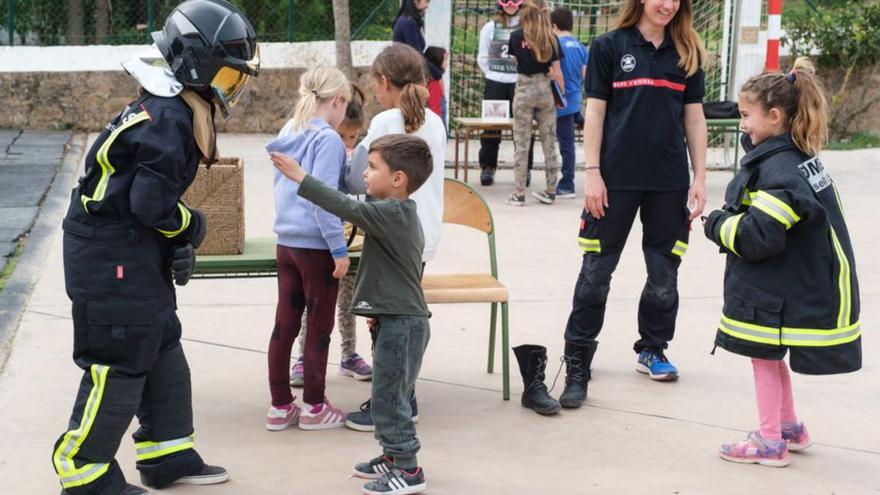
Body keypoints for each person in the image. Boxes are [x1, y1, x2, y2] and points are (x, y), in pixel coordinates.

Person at [52, 1, 259, 493]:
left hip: (125, 248)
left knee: (161, 342)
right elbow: (149, 203)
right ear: (198, 63)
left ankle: (167, 453)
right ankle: (83, 471)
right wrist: (190, 226)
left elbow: (139, 197)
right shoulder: (169, 114)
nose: (229, 89)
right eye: (227, 77)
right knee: (122, 355)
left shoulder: (171, 105)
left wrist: (168, 247)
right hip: (109, 255)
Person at [703, 58, 861, 467]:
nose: (740, 124)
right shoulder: (793, 157)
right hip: (793, 281)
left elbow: (759, 237)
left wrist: (716, 223)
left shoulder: (780, 173)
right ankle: (789, 426)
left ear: (774, 117)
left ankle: (770, 441)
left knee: (762, 356)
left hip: (776, 290)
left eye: (745, 116)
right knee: (770, 354)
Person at [557, 0, 708, 409]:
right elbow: (596, 112)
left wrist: (699, 177)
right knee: (596, 272)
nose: (668, 4)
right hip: (614, 181)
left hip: (668, 183)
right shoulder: (608, 46)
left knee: (664, 275)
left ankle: (653, 349)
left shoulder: (687, 51)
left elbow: (694, 118)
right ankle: (578, 356)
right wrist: (592, 172)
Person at [270, 134, 434, 495]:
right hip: (396, 319)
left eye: (373, 167)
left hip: (403, 324)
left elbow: (348, 207)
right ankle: (393, 456)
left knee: (390, 400)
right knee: (389, 394)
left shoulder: (390, 213)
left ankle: (407, 469)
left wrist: (302, 177)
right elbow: (393, 271)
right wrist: (379, 310)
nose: (364, 173)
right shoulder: (397, 213)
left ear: (398, 179)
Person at [339, 42, 446, 433]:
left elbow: (354, 178)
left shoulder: (385, 122)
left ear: (384, 82)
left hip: (389, 233)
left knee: (385, 321)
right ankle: (404, 394)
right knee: (401, 315)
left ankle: (394, 400)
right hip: (422, 234)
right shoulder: (434, 121)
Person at [263, 67, 353, 432]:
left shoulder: (290, 130)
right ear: (338, 101)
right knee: (318, 326)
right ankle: (315, 405)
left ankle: (280, 405)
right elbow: (324, 200)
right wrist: (339, 249)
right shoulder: (327, 139)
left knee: (284, 325)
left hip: (286, 242)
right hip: (316, 247)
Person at [289, 84, 372, 389]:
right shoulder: (321, 143)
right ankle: (302, 357)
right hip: (321, 239)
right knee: (313, 302)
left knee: (349, 299)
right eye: (343, 136)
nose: (349, 144)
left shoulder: (349, 153)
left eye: (354, 138)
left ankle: (349, 354)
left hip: (348, 236)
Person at [506, 0, 565, 206]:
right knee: (549, 140)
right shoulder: (551, 37)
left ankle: (519, 192)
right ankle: (550, 190)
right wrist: (562, 95)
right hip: (544, 89)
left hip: (524, 89)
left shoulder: (516, 36)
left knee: (521, 143)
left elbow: (516, 62)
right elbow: (557, 71)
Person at [477, 0, 534, 187]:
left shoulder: (528, 26)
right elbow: (482, 57)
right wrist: (494, 75)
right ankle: (488, 167)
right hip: (496, 82)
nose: (510, 4)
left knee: (524, 126)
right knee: (491, 127)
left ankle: (524, 169)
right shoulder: (490, 27)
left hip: (520, 82)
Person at [550, 7, 588, 199]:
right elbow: (585, 76)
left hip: (560, 103)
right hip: (575, 101)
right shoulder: (581, 46)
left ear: (554, 26)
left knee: (566, 144)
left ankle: (567, 184)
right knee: (569, 143)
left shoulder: (555, 45)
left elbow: (555, 73)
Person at [424, 46, 448, 125]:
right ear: (438, 60)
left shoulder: (435, 79)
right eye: (445, 60)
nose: (447, 63)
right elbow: (435, 109)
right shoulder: (434, 83)